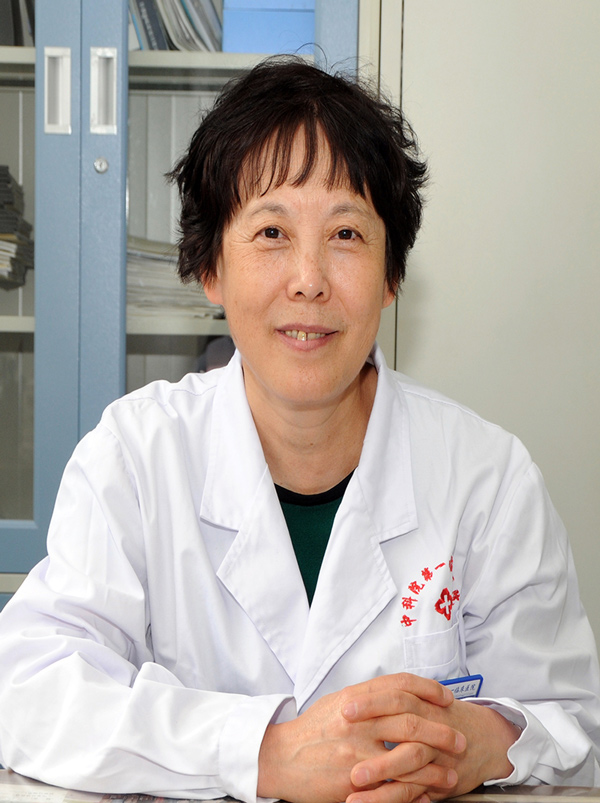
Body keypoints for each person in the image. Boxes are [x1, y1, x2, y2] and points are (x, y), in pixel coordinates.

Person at [0, 56, 599, 803]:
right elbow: (28, 689)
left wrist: (484, 743)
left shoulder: (486, 476)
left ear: (391, 275)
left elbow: (571, 721)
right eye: (272, 232)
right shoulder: (136, 456)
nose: (309, 279)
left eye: (346, 232)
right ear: (211, 269)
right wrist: (264, 751)